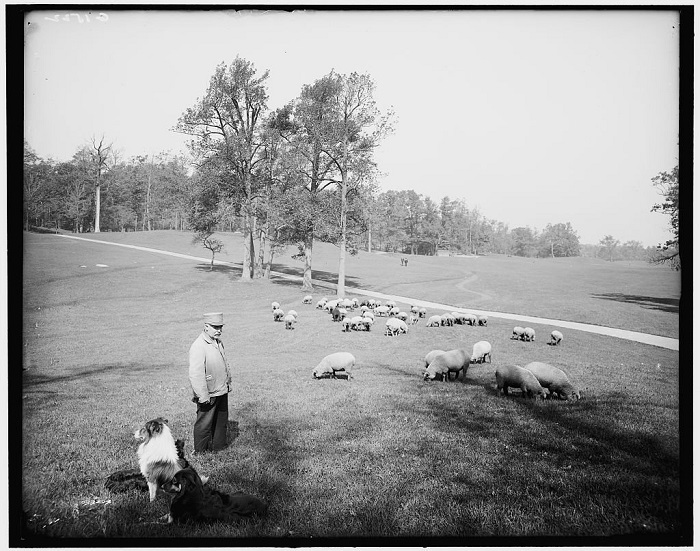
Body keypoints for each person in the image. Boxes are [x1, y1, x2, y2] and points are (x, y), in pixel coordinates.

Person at [188, 312, 232, 453]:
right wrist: (202, 395)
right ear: (206, 326)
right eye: (215, 327)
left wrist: (228, 382)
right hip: (209, 392)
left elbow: (224, 363)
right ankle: (201, 452)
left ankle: (219, 448)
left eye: (220, 327)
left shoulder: (218, 343)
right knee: (204, 423)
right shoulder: (198, 346)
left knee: (221, 421)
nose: (218, 330)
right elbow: (195, 373)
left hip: (221, 389)